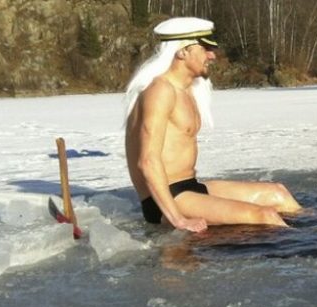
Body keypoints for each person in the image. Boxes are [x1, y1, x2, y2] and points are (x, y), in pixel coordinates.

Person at [124, 17, 301, 232]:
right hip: (166, 198)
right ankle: (303, 254)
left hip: (190, 187)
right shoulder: (160, 91)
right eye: (205, 48)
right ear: (182, 51)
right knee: (265, 216)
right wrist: (178, 219)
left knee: (278, 194)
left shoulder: (187, 90)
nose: (212, 55)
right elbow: (148, 161)